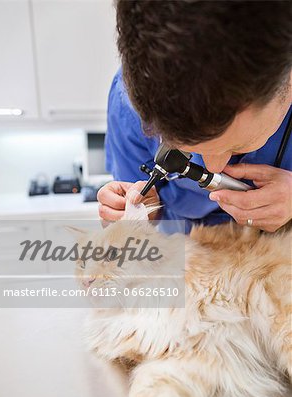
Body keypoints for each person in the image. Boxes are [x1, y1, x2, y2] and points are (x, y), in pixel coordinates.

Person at [98, 0, 292, 234]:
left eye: (238, 146)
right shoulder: (130, 103)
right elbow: (136, 204)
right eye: (186, 148)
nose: (214, 168)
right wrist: (139, 212)